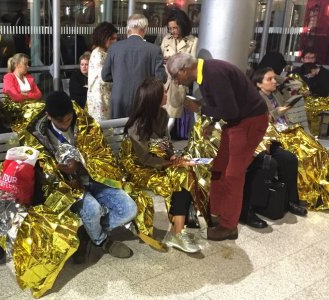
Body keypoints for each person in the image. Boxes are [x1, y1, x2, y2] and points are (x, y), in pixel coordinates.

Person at [166, 52, 269, 241]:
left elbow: (230, 111)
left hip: (249, 122)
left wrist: (200, 109)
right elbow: (225, 106)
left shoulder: (214, 74)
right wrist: (211, 123)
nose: (176, 82)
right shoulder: (205, 73)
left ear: (185, 69)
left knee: (233, 175)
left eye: (175, 76)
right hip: (237, 122)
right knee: (219, 169)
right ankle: (218, 213)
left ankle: (229, 226)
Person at [29, 91, 137, 262]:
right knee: (93, 209)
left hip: (94, 179)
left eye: (68, 119)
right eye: (60, 121)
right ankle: (101, 240)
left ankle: (89, 231)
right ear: (49, 116)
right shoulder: (37, 135)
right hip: (67, 189)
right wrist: (59, 170)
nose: (65, 124)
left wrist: (80, 164)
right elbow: (40, 170)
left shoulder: (85, 123)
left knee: (129, 209)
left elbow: (101, 153)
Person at [121, 78, 202, 253]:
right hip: (138, 168)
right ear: (153, 98)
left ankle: (177, 232)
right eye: (163, 92)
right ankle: (179, 231)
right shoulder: (137, 125)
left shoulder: (162, 115)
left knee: (184, 172)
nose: (166, 94)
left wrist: (173, 156)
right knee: (169, 182)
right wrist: (167, 163)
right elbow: (143, 159)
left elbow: (166, 143)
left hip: (159, 162)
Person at [251, 67, 329, 210]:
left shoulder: (276, 94)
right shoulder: (257, 99)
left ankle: (317, 192)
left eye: (275, 78)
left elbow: (297, 85)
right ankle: (297, 198)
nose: (274, 81)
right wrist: (278, 112)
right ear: (258, 84)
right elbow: (262, 121)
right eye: (270, 79)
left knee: (320, 151)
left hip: (290, 131)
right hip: (275, 137)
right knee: (304, 155)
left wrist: (278, 77)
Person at [102, 14, 167, 118]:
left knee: (118, 132)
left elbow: (105, 75)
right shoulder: (154, 50)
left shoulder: (114, 48)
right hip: (144, 101)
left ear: (128, 29)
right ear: (145, 29)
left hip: (119, 100)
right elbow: (161, 78)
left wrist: (120, 78)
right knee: (141, 132)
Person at [161, 8, 198, 134]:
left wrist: (174, 60)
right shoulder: (166, 39)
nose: (173, 31)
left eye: (175, 28)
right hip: (164, 84)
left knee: (170, 120)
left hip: (179, 84)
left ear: (182, 25)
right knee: (161, 118)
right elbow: (160, 58)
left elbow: (192, 64)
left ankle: (164, 145)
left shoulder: (193, 41)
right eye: (170, 28)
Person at [87, 22, 118, 120]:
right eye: (112, 38)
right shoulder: (98, 55)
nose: (115, 41)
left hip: (104, 97)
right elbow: (104, 78)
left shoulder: (104, 52)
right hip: (100, 99)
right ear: (104, 37)